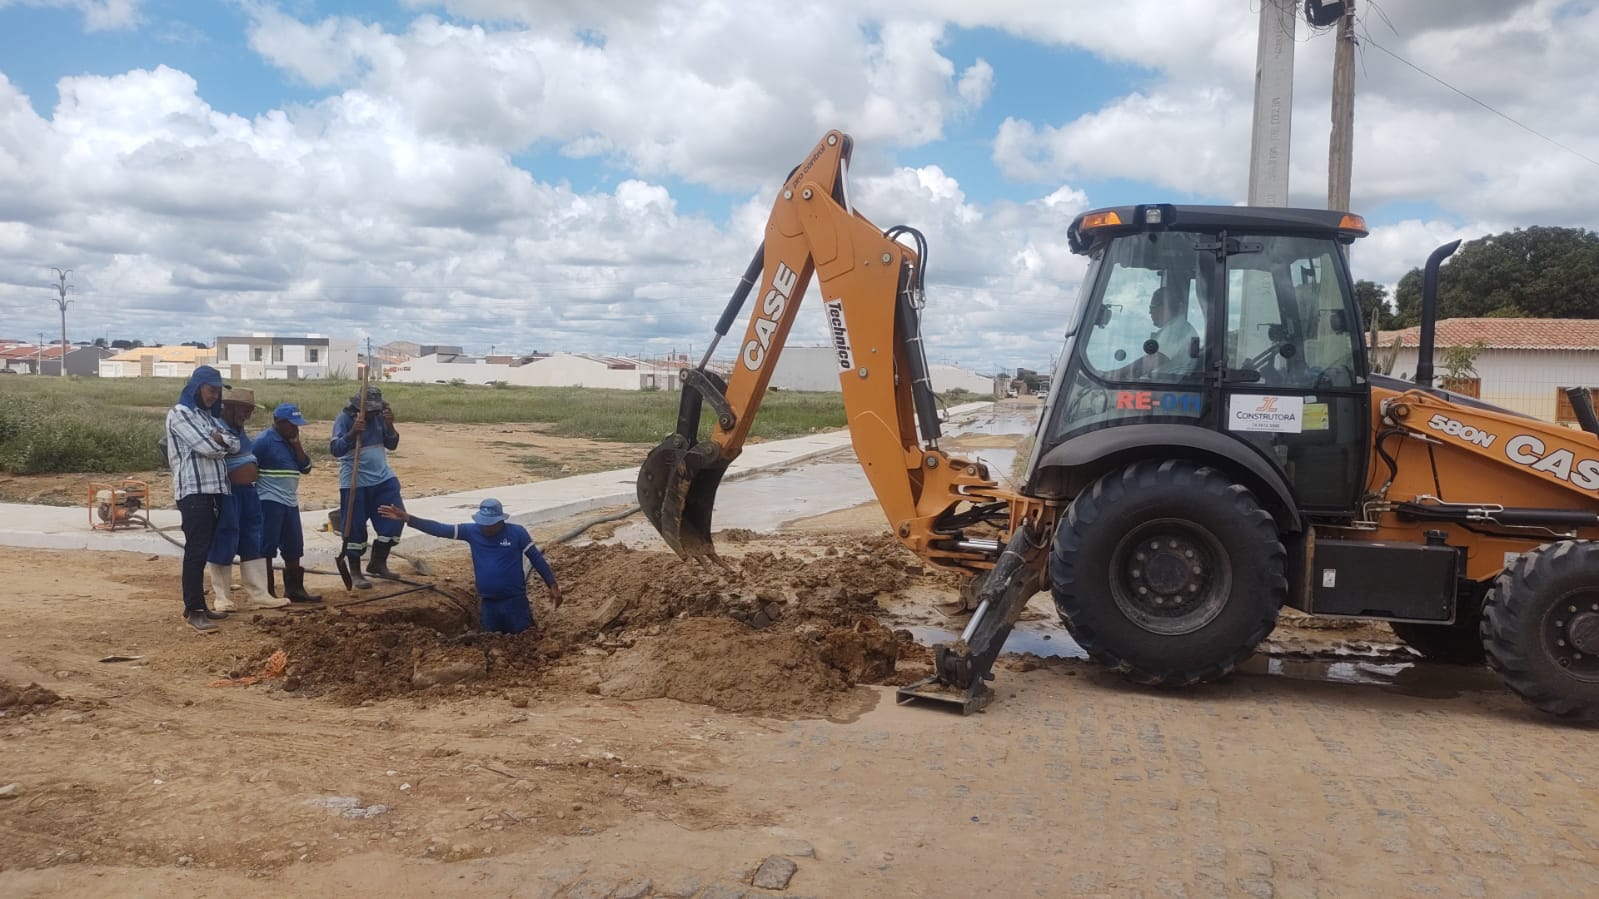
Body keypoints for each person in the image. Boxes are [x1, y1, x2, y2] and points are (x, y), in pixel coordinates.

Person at [378, 499, 562, 635]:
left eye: (490, 524)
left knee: (524, 639)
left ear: (501, 521)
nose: (486, 528)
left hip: (515, 602)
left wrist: (552, 585)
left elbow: (536, 558)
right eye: (483, 524)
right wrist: (409, 518)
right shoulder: (471, 531)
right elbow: (440, 529)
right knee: (491, 640)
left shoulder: (517, 533)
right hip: (489, 604)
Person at [165, 365, 239, 632]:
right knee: (196, 552)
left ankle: (198, 605)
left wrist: (220, 440)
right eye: (211, 390)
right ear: (197, 388)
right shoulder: (180, 414)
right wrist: (220, 441)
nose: (214, 395)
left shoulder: (208, 417)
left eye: (218, 391)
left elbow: (235, 442)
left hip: (215, 491)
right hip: (194, 492)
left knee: (204, 549)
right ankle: (194, 609)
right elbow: (208, 448)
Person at [208, 388, 287, 611]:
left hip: (249, 493)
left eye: (250, 411)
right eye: (245, 410)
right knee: (223, 539)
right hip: (228, 493)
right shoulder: (217, 428)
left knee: (253, 540)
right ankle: (222, 597)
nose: (248, 415)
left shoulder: (238, 430)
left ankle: (259, 594)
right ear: (229, 408)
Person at [330, 385, 405, 589]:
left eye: (376, 410)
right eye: (370, 410)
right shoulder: (345, 419)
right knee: (354, 528)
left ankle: (378, 563)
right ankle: (355, 572)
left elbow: (392, 444)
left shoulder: (381, 416)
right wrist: (353, 433)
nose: (373, 414)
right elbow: (335, 449)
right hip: (356, 482)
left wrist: (390, 426)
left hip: (383, 479)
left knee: (395, 518)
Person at [253, 402, 323, 604]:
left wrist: (297, 445)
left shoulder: (292, 442)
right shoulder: (264, 441)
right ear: (278, 422)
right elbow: (249, 467)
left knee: (294, 546)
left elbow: (306, 467)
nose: (295, 428)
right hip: (269, 501)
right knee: (266, 546)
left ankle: (294, 589)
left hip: (290, 501)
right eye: (291, 424)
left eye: (297, 425)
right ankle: (266, 591)